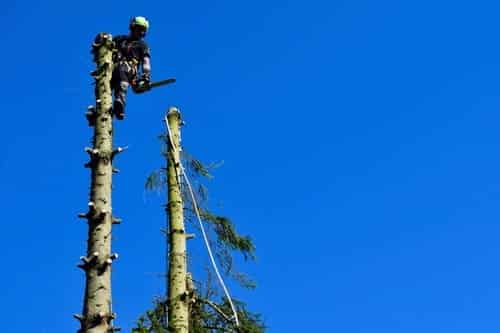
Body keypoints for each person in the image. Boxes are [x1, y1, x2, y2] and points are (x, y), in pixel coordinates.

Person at [111, 16, 152, 120]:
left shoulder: (142, 45)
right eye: (141, 29)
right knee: (104, 86)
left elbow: (146, 62)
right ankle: (100, 108)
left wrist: (145, 76)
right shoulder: (119, 39)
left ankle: (120, 102)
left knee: (122, 68)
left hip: (129, 70)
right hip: (111, 69)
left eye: (144, 30)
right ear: (133, 27)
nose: (142, 33)